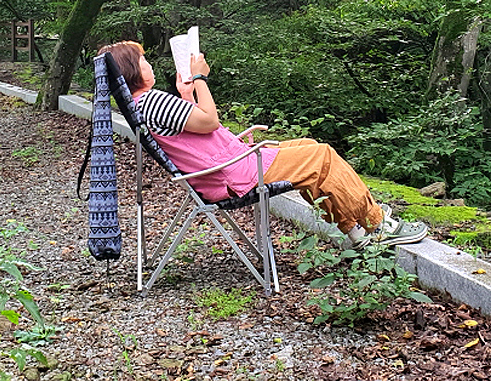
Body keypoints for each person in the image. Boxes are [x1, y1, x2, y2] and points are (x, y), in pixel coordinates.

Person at [99, 40, 427, 247]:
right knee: (321, 156)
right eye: (143, 60)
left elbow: (193, 134)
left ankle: (355, 232)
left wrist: (186, 93)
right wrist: (199, 79)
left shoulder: (144, 105)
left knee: (308, 145)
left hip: (225, 168)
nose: (149, 63)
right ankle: (377, 226)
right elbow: (210, 121)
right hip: (234, 174)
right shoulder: (153, 101)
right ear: (132, 70)